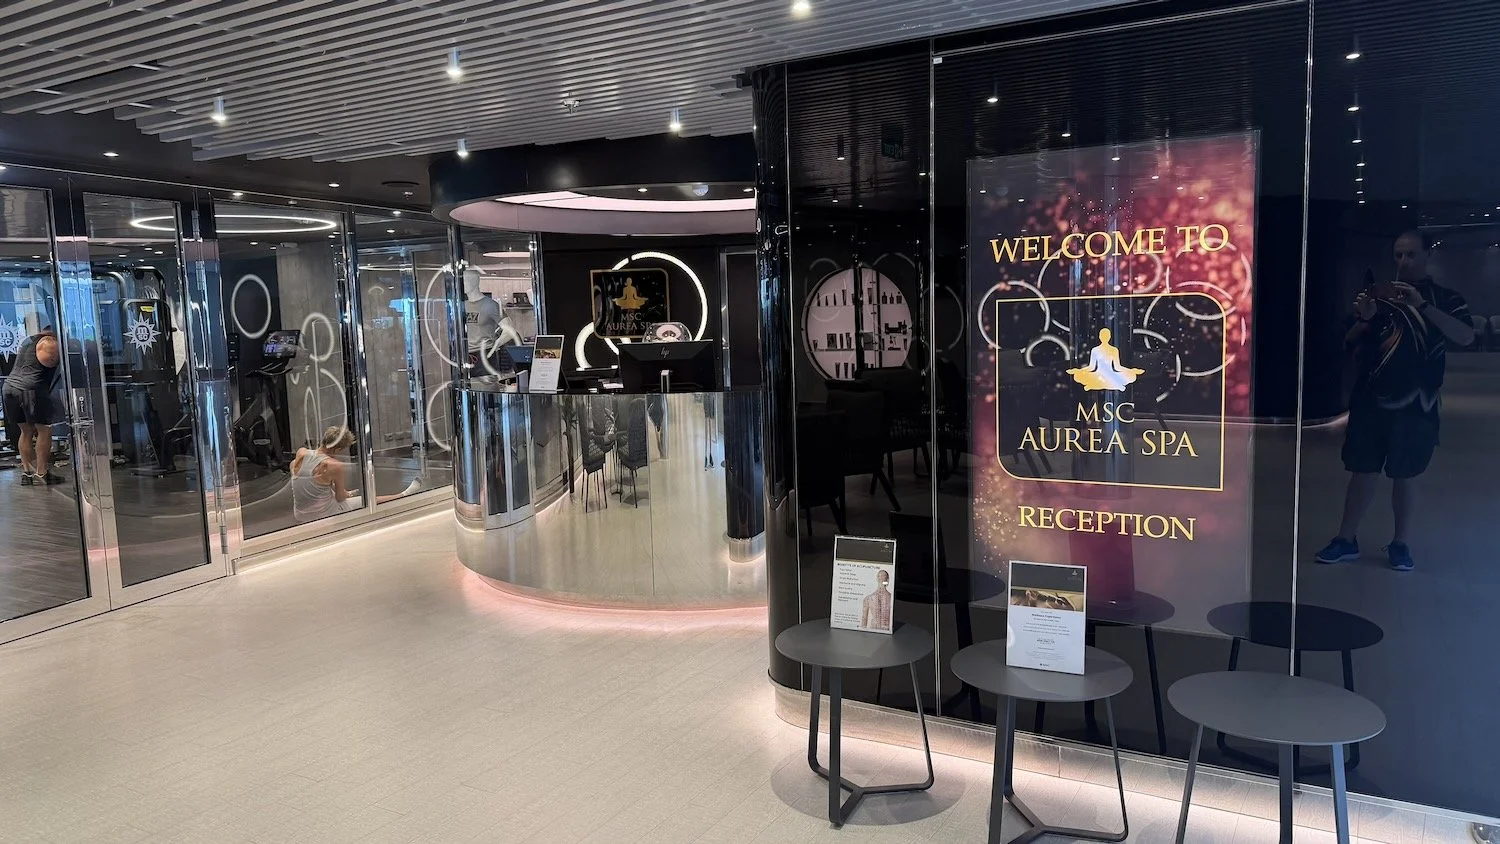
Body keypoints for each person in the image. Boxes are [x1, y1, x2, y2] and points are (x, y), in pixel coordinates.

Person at [1315, 230, 1474, 571]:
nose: (1404, 261)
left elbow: (1465, 336)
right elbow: (1348, 343)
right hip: (1371, 399)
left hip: (1418, 402)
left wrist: (1423, 306)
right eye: (1399, 255)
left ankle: (1400, 542)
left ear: (1427, 255)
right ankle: (1346, 538)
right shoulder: (1378, 296)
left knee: (1405, 475)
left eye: (1411, 254)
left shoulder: (1446, 298)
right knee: (1362, 471)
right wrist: (1365, 319)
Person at [290, 426, 417, 522]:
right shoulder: (335, 465)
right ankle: (404, 495)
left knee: (322, 485)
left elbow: (309, 481)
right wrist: (345, 494)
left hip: (300, 513)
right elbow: (340, 498)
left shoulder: (302, 453)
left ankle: (345, 494)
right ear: (338, 449)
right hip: (321, 514)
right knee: (369, 500)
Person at [1, 330, 64, 485]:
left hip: (9, 388)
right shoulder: (48, 342)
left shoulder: (27, 342)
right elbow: (49, 359)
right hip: (30, 390)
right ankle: (42, 473)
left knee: (26, 431)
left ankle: (27, 473)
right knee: (44, 430)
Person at [1067, 328, 1143, 391]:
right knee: (1077, 376)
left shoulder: (1114, 350)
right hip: (1098, 375)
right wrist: (1078, 371)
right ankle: (1113, 385)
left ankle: (1096, 385)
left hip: (1111, 375)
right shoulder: (1095, 350)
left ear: (1109, 337)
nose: (1104, 337)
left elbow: (1117, 367)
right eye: (1103, 336)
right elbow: (1091, 367)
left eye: (1106, 336)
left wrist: (1131, 371)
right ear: (1100, 337)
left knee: (1132, 376)